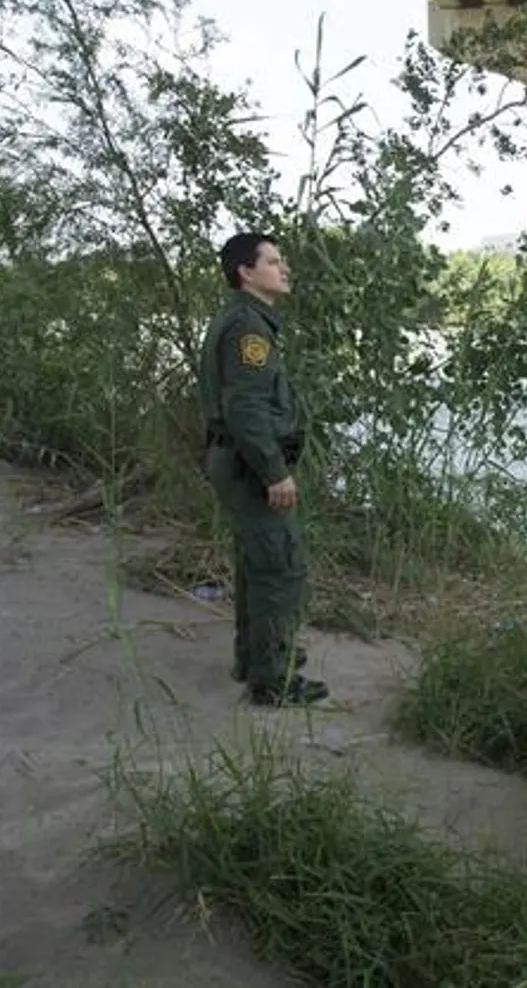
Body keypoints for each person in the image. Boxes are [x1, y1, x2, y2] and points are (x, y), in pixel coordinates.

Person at [197, 231, 328, 707]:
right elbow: (247, 408)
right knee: (279, 567)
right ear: (245, 272)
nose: (284, 268)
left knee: (258, 565)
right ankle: (273, 681)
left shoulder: (245, 321)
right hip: (250, 464)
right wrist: (275, 472)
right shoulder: (248, 328)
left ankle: (253, 660)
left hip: (236, 458)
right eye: (274, 261)